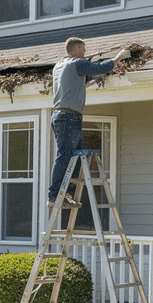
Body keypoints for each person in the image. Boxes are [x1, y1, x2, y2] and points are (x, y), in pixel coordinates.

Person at [47, 37, 130, 207]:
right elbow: (101, 67)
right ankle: (54, 195)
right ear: (76, 49)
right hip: (68, 117)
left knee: (74, 158)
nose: (85, 53)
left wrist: (96, 78)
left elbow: (82, 82)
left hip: (64, 116)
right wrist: (119, 57)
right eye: (83, 50)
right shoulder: (76, 63)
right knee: (64, 156)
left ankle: (66, 194)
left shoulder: (59, 66)